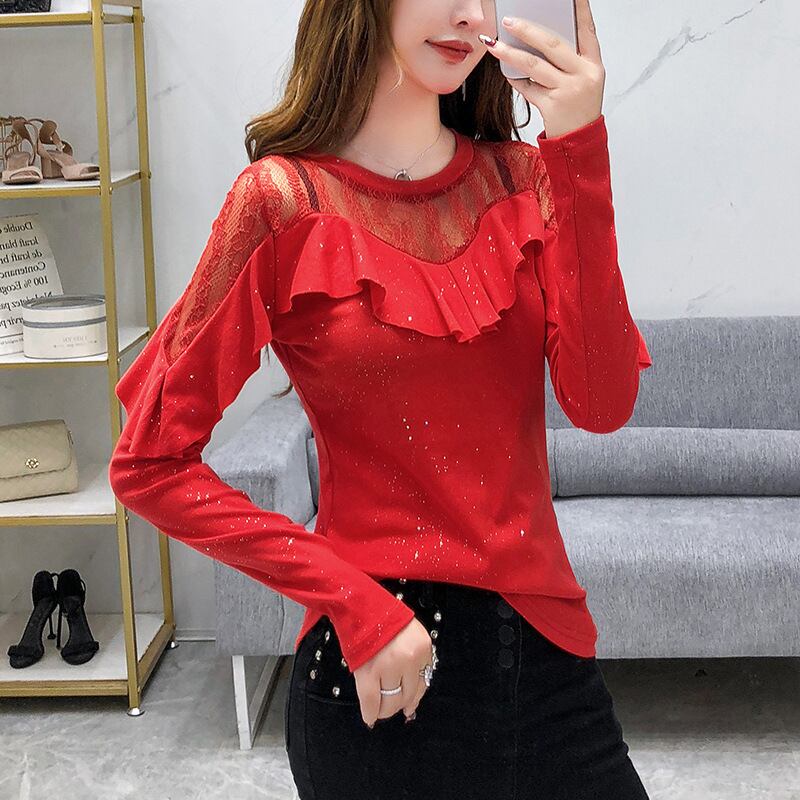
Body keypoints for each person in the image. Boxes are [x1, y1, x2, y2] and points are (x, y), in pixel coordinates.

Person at [108, 0, 653, 797]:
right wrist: (351, 602)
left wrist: (579, 144)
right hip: (379, 681)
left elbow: (602, 405)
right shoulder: (281, 202)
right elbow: (149, 464)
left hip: (545, 663)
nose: (468, 13)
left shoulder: (523, 179)